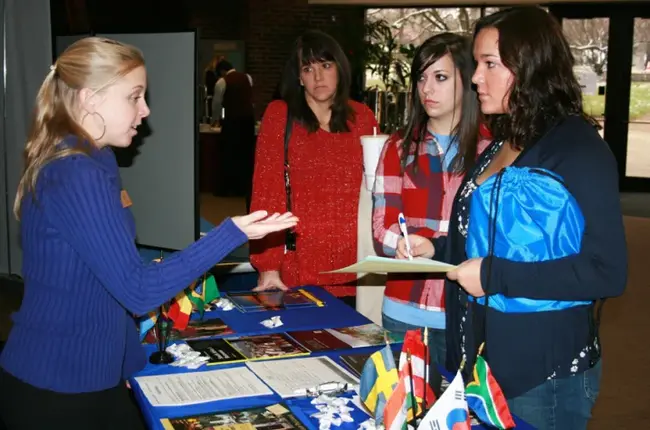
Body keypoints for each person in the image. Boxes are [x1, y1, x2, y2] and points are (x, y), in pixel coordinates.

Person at [0, 37, 297, 430]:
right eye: (134, 97)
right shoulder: (76, 171)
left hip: (93, 374)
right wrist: (230, 233)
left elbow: (103, 279)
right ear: (90, 99)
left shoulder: (96, 157)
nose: (145, 110)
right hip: (57, 386)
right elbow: (136, 290)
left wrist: (126, 362)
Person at [404, 7, 627, 429]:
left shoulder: (578, 150)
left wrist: (495, 276)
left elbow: (606, 272)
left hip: (543, 377)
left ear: (530, 67)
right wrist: (435, 247)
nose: (474, 78)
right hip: (479, 365)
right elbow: (483, 240)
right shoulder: (504, 139)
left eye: (490, 64)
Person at [371, 33, 490, 391]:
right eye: (421, 78)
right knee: (399, 412)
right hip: (402, 311)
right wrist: (402, 243)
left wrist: (436, 243)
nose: (427, 89)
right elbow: (381, 227)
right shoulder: (398, 147)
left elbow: (492, 235)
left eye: (440, 77)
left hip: (465, 313)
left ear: (467, 80)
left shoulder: (493, 151)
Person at [249, 30, 378, 307]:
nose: (318, 77)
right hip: (298, 267)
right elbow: (267, 192)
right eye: (308, 68)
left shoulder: (363, 117)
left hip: (356, 266)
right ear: (298, 76)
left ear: (340, 70)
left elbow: (376, 191)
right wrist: (268, 265)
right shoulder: (279, 115)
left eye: (326, 66)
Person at [211, 59, 256, 212]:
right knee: (246, 155)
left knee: (228, 155)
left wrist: (214, 120)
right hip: (248, 122)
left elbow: (217, 104)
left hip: (232, 122)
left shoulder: (222, 82)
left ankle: (227, 189)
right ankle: (243, 188)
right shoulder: (247, 78)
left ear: (222, 71)